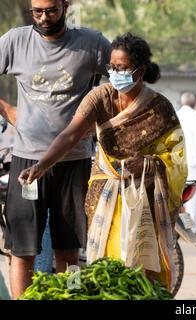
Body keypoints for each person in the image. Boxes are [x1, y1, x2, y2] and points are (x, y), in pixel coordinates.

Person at [19, 32, 187, 291]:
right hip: (104, 193)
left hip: (144, 194)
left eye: (122, 68)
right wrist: (42, 166)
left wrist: (148, 164)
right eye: (112, 67)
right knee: (105, 264)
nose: (115, 73)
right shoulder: (100, 97)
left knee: (139, 270)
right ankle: (73, 293)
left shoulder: (159, 106)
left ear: (140, 71)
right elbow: (71, 133)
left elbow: (176, 155)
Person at [0, 0, 111, 299]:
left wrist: (98, 120)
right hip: (27, 162)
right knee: (22, 249)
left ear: (65, 6)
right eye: (37, 11)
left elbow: (123, 81)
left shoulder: (92, 43)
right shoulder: (14, 41)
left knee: (69, 251)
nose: (44, 17)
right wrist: (7, 109)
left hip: (73, 162)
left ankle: (70, 298)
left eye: (51, 10)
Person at [176, 92, 196, 233]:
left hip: (178, 161)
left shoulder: (176, 114)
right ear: (193, 103)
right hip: (193, 161)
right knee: (193, 195)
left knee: (179, 195)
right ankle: (191, 227)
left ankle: (180, 226)